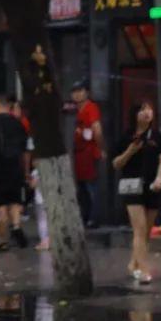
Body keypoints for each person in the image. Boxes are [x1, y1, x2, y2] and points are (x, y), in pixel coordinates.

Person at [114, 100, 161, 283]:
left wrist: (160, 179)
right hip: (131, 187)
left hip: (152, 186)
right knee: (139, 229)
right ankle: (145, 270)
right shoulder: (126, 137)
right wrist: (130, 151)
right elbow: (116, 164)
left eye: (149, 109)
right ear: (135, 115)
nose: (147, 112)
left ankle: (133, 263)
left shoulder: (157, 136)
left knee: (145, 232)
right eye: (142, 109)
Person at [0, 95, 30, 249]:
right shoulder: (17, 124)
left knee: (0, 205)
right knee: (14, 201)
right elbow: (26, 150)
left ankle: (3, 240)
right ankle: (16, 225)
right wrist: (26, 171)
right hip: (15, 167)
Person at [71, 81, 104, 228]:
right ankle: (84, 217)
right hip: (77, 153)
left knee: (91, 187)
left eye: (80, 90)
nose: (77, 94)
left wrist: (101, 148)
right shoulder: (72, 109)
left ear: (87, 92)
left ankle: (93, 218)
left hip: (89, 151)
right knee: (81, 187)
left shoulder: (91, 107)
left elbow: (97, 129)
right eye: (75, 91)